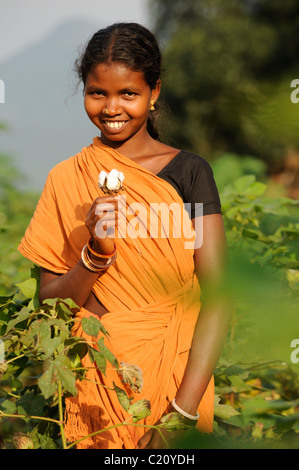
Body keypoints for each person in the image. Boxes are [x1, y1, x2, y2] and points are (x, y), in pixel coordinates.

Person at [18, 23, 231, 449]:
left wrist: (180, 417)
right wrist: (94, 254)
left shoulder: (188, 174)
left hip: (176, 379)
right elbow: (49, 303)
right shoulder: (65, 180)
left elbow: (218, 298)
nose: (112, 107)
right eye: (98, 93)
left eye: (128, 94)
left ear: (153, 92)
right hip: (94, 380)